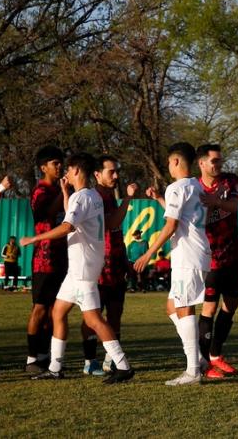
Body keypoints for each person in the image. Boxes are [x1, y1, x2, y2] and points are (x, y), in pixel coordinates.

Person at [19, 152, 134, 383]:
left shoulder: (82, 198)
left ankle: (123, 365)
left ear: (77, 171)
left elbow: (67, 226)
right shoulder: (91, 196)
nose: (66, 173)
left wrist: (34, 239)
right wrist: (64, 193)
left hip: (83, 269)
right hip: (79, 270)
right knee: (58, 312)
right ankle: (55, 368)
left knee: (93, 320)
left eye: (69, 169)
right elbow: (74, 214)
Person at [133, 142, 216, 385]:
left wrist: (148, 253)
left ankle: (193, 371)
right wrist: (159, 198)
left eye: (169, 162)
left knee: (184, 308)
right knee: (172, 307)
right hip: (197, 253)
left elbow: (171, 225)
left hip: (187, 257)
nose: (169, 166)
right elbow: (183, 219)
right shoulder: (196, 187)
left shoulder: (177, 187)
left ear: (176, 161)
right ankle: (197, 360)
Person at [196, 144, 238, 380]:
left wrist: (215, 201)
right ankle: (205, 363)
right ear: (202, 163)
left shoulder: (230, 181)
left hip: (233, 254)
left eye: (220, 160)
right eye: (213, 161)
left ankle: (216, 354)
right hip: (211, 259)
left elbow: (234, 205)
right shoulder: (194, 187)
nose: (218, 165)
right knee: (209, 308)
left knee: (231, 306)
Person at [86, 155, 136, 375]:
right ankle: (89, 361)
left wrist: (125, 260)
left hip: (115, 267)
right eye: (111, 172)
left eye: (117, 171)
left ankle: (110, 360)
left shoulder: (109, 196)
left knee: (115, 314)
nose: (116, 176)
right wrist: (127, 198)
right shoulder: (95, 197)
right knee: (93, 316)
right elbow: (111, 223)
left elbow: (117, 233)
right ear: (97, 174)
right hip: (98, 267)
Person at [25, 145, 67, 375]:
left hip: (61, 258)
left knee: (54, 310)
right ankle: (31, 358)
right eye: (55, 163)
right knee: (39, 309)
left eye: (61, 162)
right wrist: (63, 192)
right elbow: (48, 215)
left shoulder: (61, 190)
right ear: (43, 167)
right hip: (44, 259)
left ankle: (46, 356)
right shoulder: (40, 191)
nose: (59, 167)